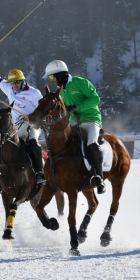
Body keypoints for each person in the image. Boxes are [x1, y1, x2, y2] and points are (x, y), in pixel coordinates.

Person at [0, 53, 45, 192]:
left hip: (33, 124)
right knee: (2, 145)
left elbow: (42, 112)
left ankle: (40, 173)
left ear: (21, 81)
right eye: (11, 83)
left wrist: (32, 117)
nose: (13, 86)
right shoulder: (9, 88)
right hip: (16, 126)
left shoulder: (34, 93)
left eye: (15, 83)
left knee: (33, 142)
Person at [43, 59, 106, 194]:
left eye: (52, 77)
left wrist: (77, 107)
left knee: (92, 144)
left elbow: (96, 99)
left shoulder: (80, 82)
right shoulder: (60, 92)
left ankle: (99, 177)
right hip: (73, 123)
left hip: (91, 120)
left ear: (60, 75)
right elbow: (62, 111)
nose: (51, 80)